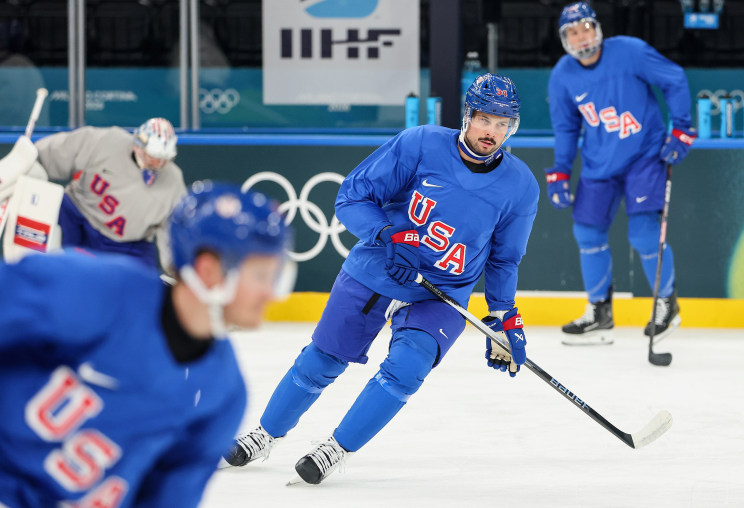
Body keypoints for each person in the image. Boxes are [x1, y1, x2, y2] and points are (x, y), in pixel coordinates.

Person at [222, 73, 539, 485]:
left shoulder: (520, 185)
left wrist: (502, 317)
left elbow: (504, 258)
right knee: (323, 360)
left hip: (441, 295)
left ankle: (336, 449)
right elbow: (351, 197)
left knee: (407, 369)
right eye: (485, 119)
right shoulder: (421, 143)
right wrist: (389, 234)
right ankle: (265, 434)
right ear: (467, 115)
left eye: (503, 123)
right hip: (379, 270)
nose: (491, 132)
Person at [0, 181, 290, 507]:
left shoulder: (223, 394)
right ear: (209, 270)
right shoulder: (99, 289)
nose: (271, 293)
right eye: (261, 276)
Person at [546, 1, 695, 346]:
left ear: (597, 28)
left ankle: (665, 303)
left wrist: (681, 128)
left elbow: (674, 80)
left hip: (645, 155)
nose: (581, 37)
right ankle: (600, 312)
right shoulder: (562, 76)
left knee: (644, 234)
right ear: (563, 38)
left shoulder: (630, 51)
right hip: (600, 164)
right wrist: (561, 171)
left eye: (585, 27)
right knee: (587, 232)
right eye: (572, 32)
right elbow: (566, 129)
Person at [33, 117, 186, 272]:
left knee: (144, 283)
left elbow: (173, 229)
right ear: (138, 146)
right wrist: (31, 158)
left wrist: (176, 270)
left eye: (164, 159)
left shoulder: (173, 181)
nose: (158, 164)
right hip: (79, 217)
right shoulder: (107, 142)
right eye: (153, 156)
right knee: (57, 266)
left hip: (127, 244)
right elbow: (62, 150)